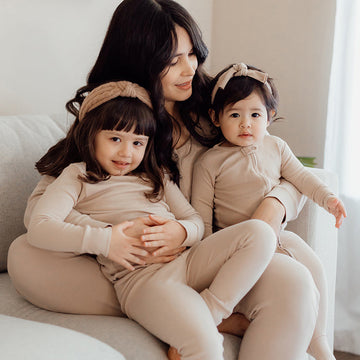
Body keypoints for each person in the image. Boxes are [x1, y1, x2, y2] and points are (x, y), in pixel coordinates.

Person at [8, 1, 320, 359]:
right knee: (25, 256)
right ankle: (178, 312)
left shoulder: (219, 111)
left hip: (214, 253)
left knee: (293, 282)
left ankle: (192, 311)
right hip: (132, 264)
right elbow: (39, 215)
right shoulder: (115, 118)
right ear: (138, 59)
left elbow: (284, 164)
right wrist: (119, 233)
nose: (189, 68)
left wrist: (275, 204)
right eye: (172, 60)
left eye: (192, 54)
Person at [27, 80, 277, 360]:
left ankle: (212, 312)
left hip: (188, 259)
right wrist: (107, 241)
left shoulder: (154, 175)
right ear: (91, 134)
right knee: (205, 345)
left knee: (260, 233)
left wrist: (180, 232)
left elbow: (194, 220)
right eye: (114, 139)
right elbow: (39, 226)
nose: (126, 153)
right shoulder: (77, 176)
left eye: (137, 143)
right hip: (143, 279)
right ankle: (207, 325)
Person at [191, 62, 347, 360]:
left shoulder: (276, 147)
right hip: (239, 244)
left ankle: (320, 343)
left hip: (279, 236)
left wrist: (328, 199)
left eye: (255, 115)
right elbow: (202, 216)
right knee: (291, 278)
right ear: (216, 117)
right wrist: (210, 263)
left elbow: (301, 178)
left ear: (269, 117)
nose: (245, 124)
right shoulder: (210, 162)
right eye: (234, 115)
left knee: (314, 266)